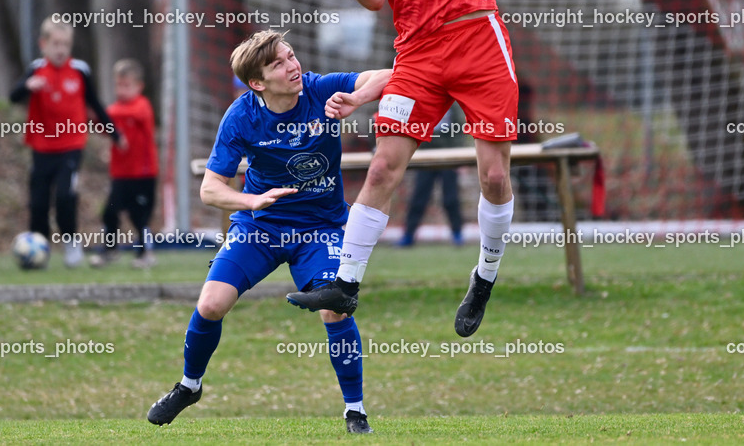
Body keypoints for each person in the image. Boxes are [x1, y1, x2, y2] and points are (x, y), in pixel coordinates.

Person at [287, 0, 519, 339]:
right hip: (416, 54)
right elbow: (373, 2)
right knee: (381, 168)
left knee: (493, 174)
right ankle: (345, 283)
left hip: (477, 37)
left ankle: (484, 276)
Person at [147, 31, 391, 434]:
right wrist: (251, 202)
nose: (293, 66)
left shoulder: (318, 88)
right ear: (258, 83)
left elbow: (392, 74)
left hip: (321, 228)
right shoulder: (242, 115)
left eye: (291, 56)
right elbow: (211, 189)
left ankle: (355, 411)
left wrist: (358, 99)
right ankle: (189, 386)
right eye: (279, 63)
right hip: (262, 226)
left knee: (336, 306)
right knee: (210, 304)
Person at [9, 16, 121, 267]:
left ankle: (71, 242)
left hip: (71, 146)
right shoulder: (36, 69)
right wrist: (28, 85)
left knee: (64, 196)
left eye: (65, 44)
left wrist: (114, 134)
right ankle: (40, 248)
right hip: (41, 147)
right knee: (38, 202)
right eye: (55, 44)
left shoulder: (80, 70)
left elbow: (95, 104)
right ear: (43, 44)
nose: (60, 50)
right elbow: (13, 96)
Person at [89, 59, 158, 269]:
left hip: (143, 174)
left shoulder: (141, 106)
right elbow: (104, 128)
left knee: (139, 216)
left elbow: (132, 116)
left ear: (139, 86)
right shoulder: (115, 110)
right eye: (118, 85)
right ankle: (110, 250)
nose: (121, 90)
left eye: (126, 85)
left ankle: (145, 253)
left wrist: (103, 113)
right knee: (109, 212)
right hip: (120, 174)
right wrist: (94, 119)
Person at [398, 107, 465, 247]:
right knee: (419, 197)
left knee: (451, 198)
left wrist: (461, 155)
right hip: (425, 156)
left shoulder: (454, 102)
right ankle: (408, 235)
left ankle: (457, 234)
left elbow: (460, 127)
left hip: (450, 156)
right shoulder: (424, 96)